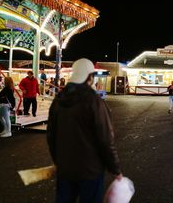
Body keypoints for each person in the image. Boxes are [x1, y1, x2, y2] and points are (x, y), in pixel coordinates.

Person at [47, 58, 122, 202]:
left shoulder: (58, 100)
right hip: (90, 170)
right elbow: (105, 139)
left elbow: (51, 135)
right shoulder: (94, 101)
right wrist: (115, 169)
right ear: (90, 77)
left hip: (65, 169)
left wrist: (58, 161)